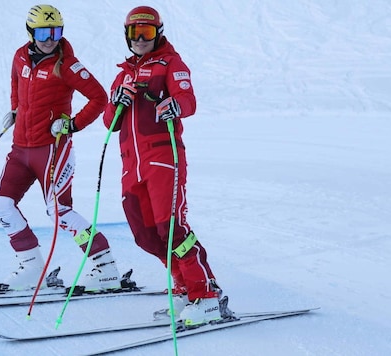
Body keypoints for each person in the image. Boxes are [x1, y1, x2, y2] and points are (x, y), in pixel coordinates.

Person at [103, 6, 235, 326]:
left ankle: (205, 295)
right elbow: (109, 123)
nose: (140, 39)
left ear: (158, 33)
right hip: (130, 165)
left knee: (172, 229)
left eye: (146, 33)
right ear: (126, 35)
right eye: (134, 33)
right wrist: (117, 102)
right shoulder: (122, 75)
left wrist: (173, 104)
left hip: (163, 158)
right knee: (147, 236)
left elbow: (188, 100)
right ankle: (183, 287)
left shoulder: (170, 63)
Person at [0, 4, 122, 294]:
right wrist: (15, 110)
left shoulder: (67, 65)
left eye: (56, 31)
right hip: (21, 148)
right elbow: (15, 83)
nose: (50, 38)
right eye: (43, 32)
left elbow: (99, 98)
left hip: (52, 149)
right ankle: (32, 266)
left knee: (59, 211)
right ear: (30, 31)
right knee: (2, 204)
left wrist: (72, 125)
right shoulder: (20, 57)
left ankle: (106, 267)